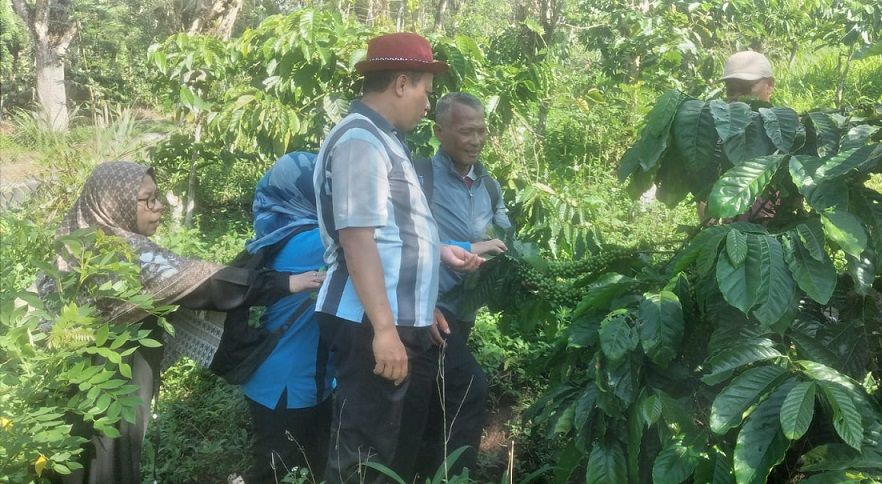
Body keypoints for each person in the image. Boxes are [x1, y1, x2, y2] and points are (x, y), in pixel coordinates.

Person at [37, 161, 324, 484]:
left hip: (83, 380)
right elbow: (202, 283)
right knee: (105, 461)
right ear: (113, 202)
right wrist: (285, 283)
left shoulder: (79, 247)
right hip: (108, 382)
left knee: (77, 459)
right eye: (148, 199)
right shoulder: (123, 255)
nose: (159, 206)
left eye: (157, 197)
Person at [312, 32, 482, 483]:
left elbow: (395, 236)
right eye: (426, 90)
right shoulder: (359, 142)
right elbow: (358, 241)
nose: (428, 104)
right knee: (367, 454)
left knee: (395, 451)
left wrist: (420, 304)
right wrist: (385, 330)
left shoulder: (382, 139)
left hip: (396, 316)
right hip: (369, 321)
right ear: (402, 83)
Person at [415, 92, 512, 477]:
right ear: (440, 131)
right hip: (429, 309)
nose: (475, 140)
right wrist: (471, 246)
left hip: (465, 310)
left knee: (436, 398)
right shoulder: (419, 177)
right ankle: (457, 476)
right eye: (466, 131)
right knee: (469, 387)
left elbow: (504, 236)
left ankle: (425, 471)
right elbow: (403, 237)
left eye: (481, 131)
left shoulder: (490, 185)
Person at [237, 152, 336, 482]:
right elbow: (380, 243)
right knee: (269, 472)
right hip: (286, 385)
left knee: (312, 466)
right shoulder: (310, 241)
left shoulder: (279, 235)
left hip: (309, 381)